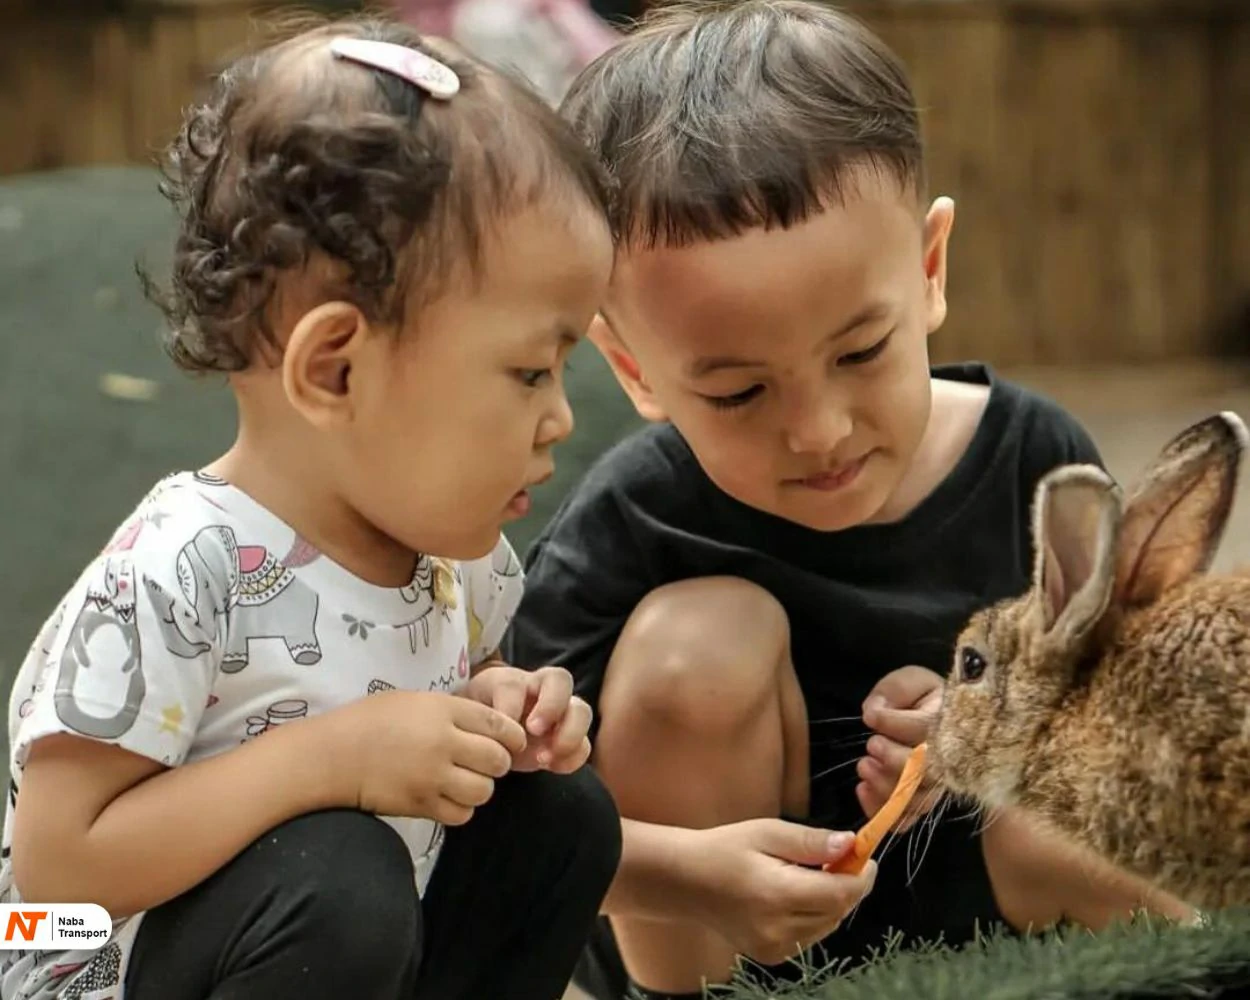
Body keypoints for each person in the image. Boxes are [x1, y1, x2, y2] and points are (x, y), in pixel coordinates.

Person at [501, 3, 1195, 999]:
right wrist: (689, 874)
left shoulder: (1034, 459)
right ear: (635, 369)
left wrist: (978, 726)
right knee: (700, 640)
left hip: (957, 885)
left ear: (925, 273)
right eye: (738, 391)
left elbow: (1132, 711)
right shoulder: (633, 516)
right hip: (706, 920)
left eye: (860, 351)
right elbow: (518, 798)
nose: (817, 430)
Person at [3, 15, 619, 1000]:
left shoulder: (453, 557)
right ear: (334, 366)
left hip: (348, 951)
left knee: (556, 811)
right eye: (529, 371)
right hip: (103, 970)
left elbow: (442, 712)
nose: (557, 418)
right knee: (335, 878)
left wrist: (495, 715)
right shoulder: (179, 573)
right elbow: (56, 872)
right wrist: (333, 761)